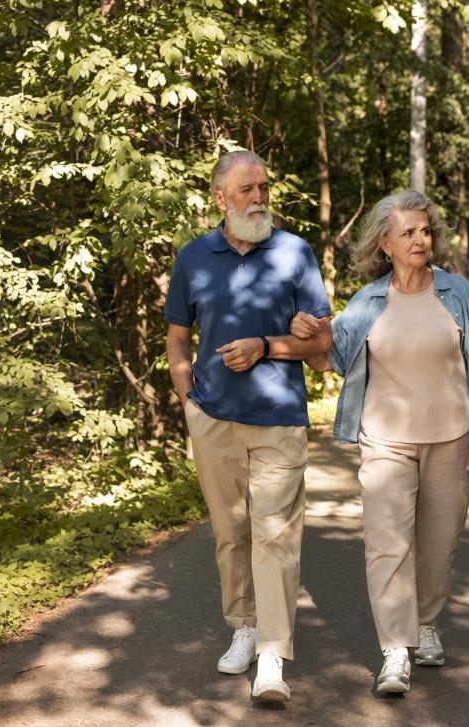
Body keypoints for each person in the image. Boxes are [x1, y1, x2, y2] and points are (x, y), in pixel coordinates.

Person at [291, 190, 469, 694]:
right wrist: (308, 333)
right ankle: (395, 649)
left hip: (452, 438)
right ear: (385, 244)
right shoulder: (369, 300)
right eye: (408, 232)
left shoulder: (456, 292)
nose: (421, 239)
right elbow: (328, 358)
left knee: (439, 544)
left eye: (425, 230)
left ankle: (426, 623)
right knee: (387, 543)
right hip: (386, 441)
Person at [164, 150, 333, 702]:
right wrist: (189, 397)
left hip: (278, 419)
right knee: (230, 534)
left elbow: (322, 347)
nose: (260, 197)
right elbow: (177, 336)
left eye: (264, 187)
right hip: (212, 420)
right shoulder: (193, 257)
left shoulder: (294, 253)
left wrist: (270, 345)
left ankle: (271, 658)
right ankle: (244, 627)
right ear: (220, 198)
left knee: (276, 536)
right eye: (247, 189)